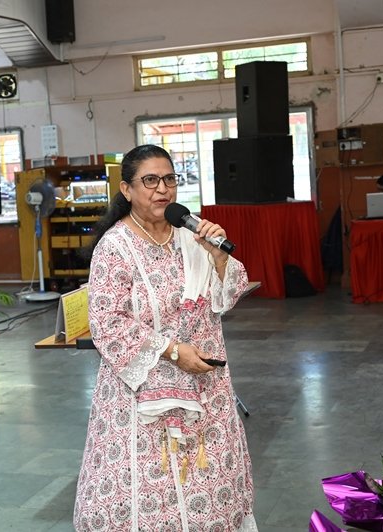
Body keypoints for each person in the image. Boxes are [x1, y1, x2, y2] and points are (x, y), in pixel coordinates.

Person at [73, 144, 258, 531]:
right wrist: (172, 352)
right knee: (152, 492)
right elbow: (107, 321)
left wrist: (219, 257)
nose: (163, 189)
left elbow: (227, 297)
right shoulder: (115, 248)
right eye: (150, 180)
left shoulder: (192, 233)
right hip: (142, 395)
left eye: (169, 179)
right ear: (127, 190)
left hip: (204, 386)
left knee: (211, 488)